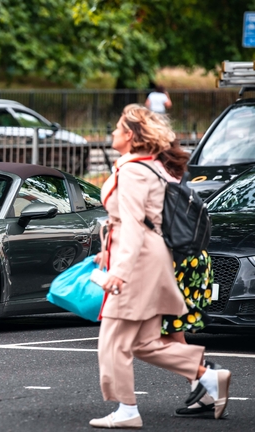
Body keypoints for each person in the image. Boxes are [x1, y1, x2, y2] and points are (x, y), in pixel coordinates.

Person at [90, 104, 231, 429]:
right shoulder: (148, 166)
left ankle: (127, 410)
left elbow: (137, 227)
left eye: (116, 127)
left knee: (112, 339)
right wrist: (107, 255)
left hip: (138, 264)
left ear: (130, 135)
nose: (112, 132)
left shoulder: (134, 171)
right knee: (144, 342)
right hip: (148, 259)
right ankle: (209, 377)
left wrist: (119, 272)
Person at [154, 139, 218, 418]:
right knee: (169, 330)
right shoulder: (177, 177)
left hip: (176, 262)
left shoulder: (156, 181)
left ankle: (205, 378)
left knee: (158, 333)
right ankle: (204, 384)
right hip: (193, 260)